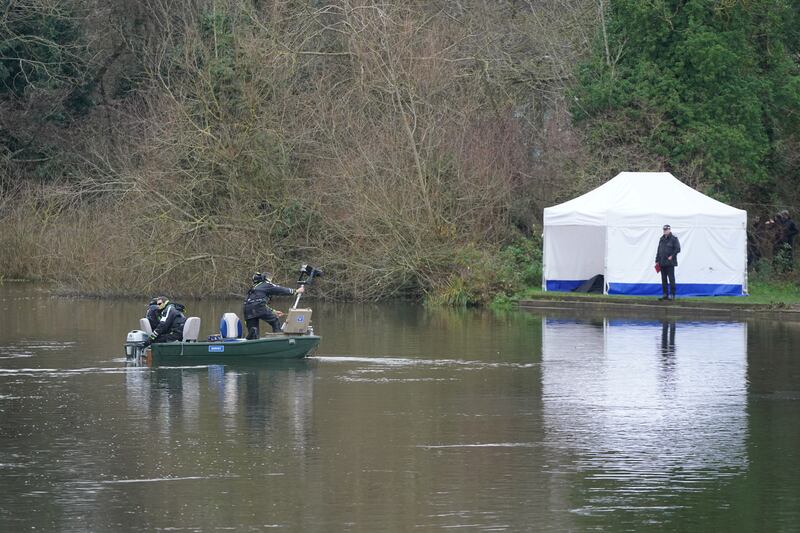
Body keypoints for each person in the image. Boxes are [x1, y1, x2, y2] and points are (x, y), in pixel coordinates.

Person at [243, 272, 304, 339]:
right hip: (258, 307)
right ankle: (278, 339)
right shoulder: (266, 284)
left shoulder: (254, 287)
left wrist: (273, 311)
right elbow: (280, 290)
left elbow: (255, 303)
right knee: (275, 320)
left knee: (254, 331)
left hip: (247, 309)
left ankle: (253, 336)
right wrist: (296, 291)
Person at [655, 224, 680, 301]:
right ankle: (665, 294)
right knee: (664, 280)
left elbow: (678, 249)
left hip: (670, 263)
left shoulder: (674, 239)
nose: (665, 231)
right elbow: (659, 250)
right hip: (662, 263)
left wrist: (672, 256)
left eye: (666, 230)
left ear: (669, 230)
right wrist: (656, 260)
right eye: (664, 230)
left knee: (671, 279)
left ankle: (672, 295)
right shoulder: (661, 239)